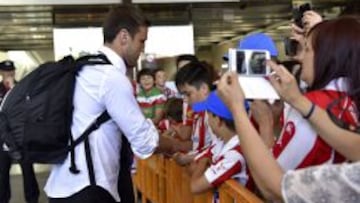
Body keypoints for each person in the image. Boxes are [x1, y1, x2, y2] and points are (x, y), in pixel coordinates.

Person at [217, 16, 360, 202]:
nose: (299, 57)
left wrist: (239, 109)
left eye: (306, 49)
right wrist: (295, 102)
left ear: (326, 56)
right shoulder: (347, 102)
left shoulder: (320, 103)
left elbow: (272, 183)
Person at [44, 6, 177, 203]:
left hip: (63, 186)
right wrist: (177, 145)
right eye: (141, 41)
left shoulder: (85, 68)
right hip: (88, 188)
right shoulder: (111, 78)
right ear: (124, 37)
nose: (143, 49)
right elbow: (143, 140)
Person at [189, 91, 250, 194]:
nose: (207, 121)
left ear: (218, 120)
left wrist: (204, 162)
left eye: (208, 115)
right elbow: (192, 166)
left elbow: (195, 186)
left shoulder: (236, 154)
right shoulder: (221, 142)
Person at [0, 60, 40, 203]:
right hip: (3, 139)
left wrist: (12, 89)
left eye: (11, 71)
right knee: (2, 174)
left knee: (28, 172)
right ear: (1, 73)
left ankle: (32, 199)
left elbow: (28, 110)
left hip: (20, 137)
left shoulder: (21, 88)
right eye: (6, 71)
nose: (9, 74)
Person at [173, 61, 216, 166]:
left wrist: (189, 158)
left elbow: (218, 149)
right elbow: (200, 145)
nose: (186, 100)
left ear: (204, 89)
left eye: (188, 94)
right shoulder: (199, 111)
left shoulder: (214, 114)